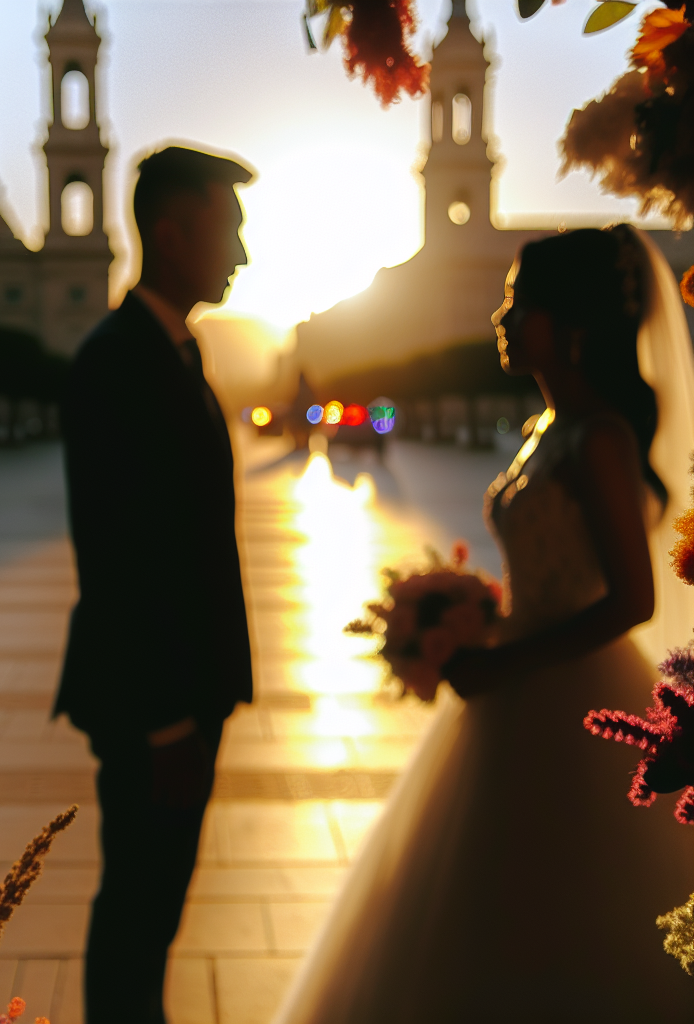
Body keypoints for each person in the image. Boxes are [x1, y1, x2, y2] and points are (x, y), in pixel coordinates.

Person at [273, 226, 694, 1023]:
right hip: (520, 670)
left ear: (570, 324)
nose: (502, 317)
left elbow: (631, 602)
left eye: (520, 302)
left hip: (569, 690)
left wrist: (504, 661)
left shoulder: (599, 437)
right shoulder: (548, 430)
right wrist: (476, 615)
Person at [55, 146, 255, 1024]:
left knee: (156, 905)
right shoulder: (119, 360)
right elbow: (122, 555)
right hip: (153, 704)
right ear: (173, 234)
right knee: (137, 902)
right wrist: (170, 717)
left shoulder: (173, 350)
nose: (242, 255)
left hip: (181, 692)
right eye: (231, 230)